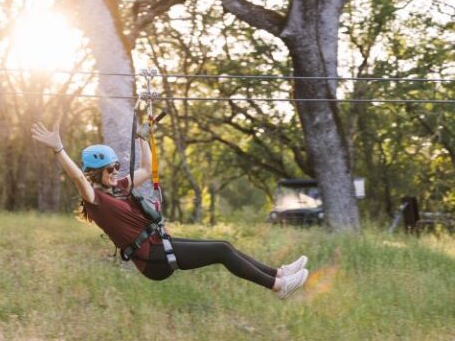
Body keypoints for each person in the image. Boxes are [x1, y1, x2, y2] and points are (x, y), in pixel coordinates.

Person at [31, 122, 309, 299]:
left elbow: (146, 169)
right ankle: (278, 288)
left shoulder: (120, 187)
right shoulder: (96, 201)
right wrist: (59, 149)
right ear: (95, 173)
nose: (116, 172)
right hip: (154, 259)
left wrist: (143, 139)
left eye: (117, 167)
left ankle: (279, 274)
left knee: (225, 244)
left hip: (160, 244)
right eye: (110, 169)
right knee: (222, 252)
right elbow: (79, 179)